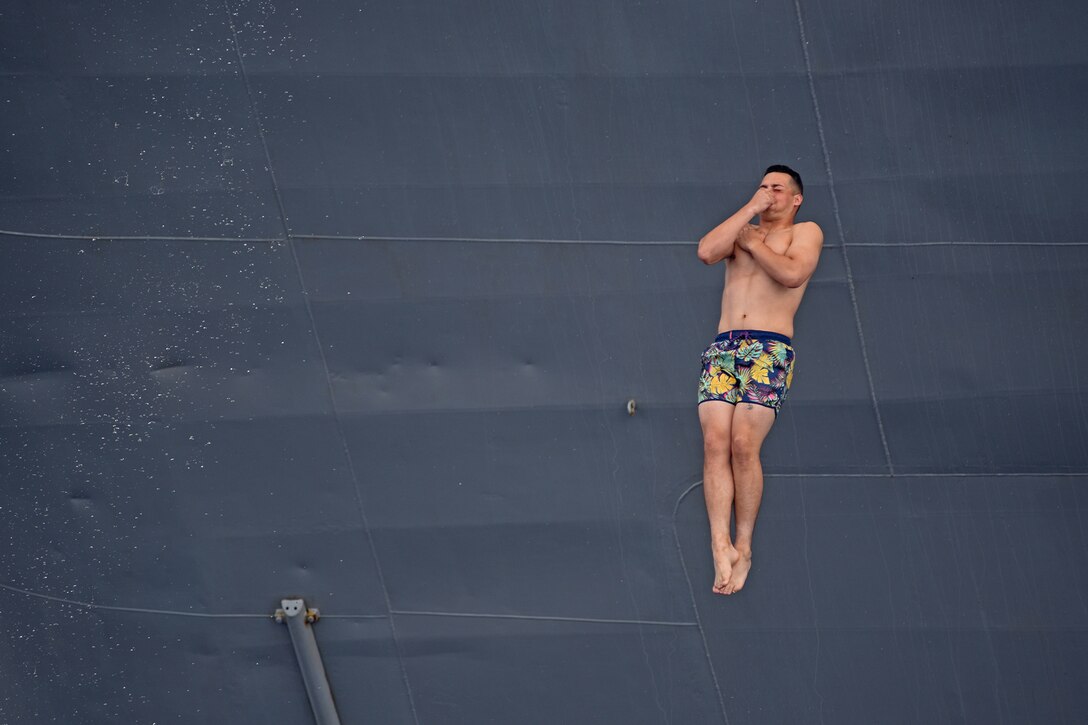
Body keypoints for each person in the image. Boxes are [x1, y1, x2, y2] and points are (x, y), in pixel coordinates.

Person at [695, 165, 823, 595]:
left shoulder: (805, 232)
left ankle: (744, 546)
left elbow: (792, 274)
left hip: (768, 349)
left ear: (795, 197)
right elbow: (707, 252)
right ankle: (720, 544)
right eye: (763, 186)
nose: (769, 193)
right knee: (714, 442)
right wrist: (749, 215)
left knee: (743, 445)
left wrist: (753, 241)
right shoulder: (743, 229)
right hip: (724, 347)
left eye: (777, 188)